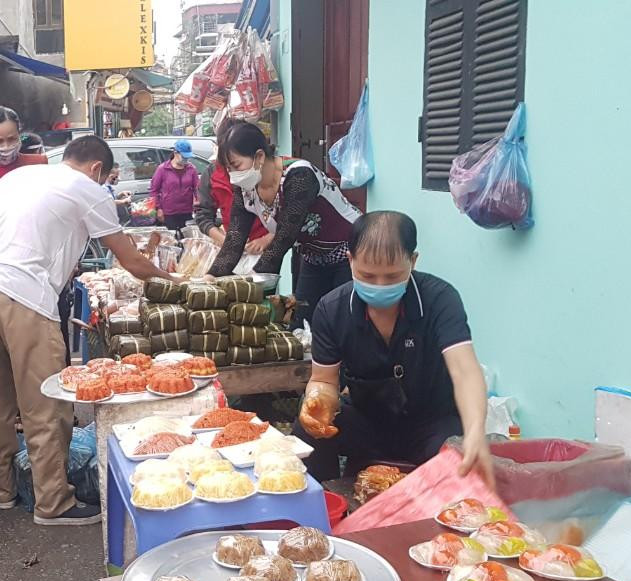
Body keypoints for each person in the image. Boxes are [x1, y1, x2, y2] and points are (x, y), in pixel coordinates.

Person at [0, 136, 176, 526]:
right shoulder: (87, 189)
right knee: (45, 403)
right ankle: (53, 502)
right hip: (24, 296)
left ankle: (3, 493)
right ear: (97, 168)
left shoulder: (20, 177)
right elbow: (132, 261)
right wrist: (175, 282)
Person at [296, 211, 494, 487]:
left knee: (460, 455)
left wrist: (475, 431)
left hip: (432, 423)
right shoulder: (332, 309)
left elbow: (465, 370)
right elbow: (323, 380)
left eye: (392, 276)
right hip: (368, 422)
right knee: (306, 430)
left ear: (413, 261)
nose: (380, 286)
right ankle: (328, 508)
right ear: (350, 260)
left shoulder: (439, 299)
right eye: (367, 275)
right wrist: (318, 402)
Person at [210, 121, 361, 328]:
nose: (232, 176)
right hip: (313, 256)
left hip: (350, 252)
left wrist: (253, 282)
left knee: (343, 320)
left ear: (260, 157)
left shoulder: (299, 175)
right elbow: (235, 239)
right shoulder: (245, 187)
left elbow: (284, 237)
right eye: (228, 169)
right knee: (301, 322)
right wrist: (211, 277)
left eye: (236, 166)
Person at [150, 139, 201, 231]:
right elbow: (154, 191)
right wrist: (158, 209)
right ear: (175, 153)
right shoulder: (162, 169)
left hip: (187, 211)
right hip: (169, 212)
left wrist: (199, 202)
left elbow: (197, 188)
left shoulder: (191, 169)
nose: (186, 160)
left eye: (187, 157)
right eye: (184, 157)